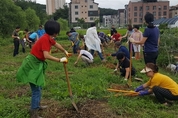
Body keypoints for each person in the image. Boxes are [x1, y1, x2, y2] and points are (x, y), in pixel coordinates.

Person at [16, 20, 70, 118]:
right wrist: (59, 60)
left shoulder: (49, 37)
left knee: (39, 86)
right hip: (32, 64)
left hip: (37, 63)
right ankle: (34, 112)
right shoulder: (45, 39)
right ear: (54, 32)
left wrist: (65, 51)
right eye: (57, 31)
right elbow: (46, 55)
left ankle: (37, 105)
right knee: (36, 89)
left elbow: (56, 44)